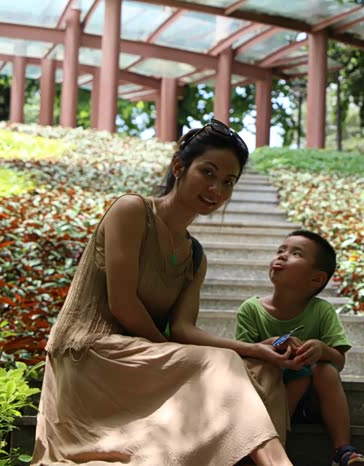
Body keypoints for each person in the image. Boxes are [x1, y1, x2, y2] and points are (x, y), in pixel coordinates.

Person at [32, 119, 301, 466]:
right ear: (178, 168)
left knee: (265, 372)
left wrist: (254, 349)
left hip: (145, 359)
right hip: (91, 356)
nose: (216, 189)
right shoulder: (131, 211)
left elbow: (184, 329)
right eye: (208, 172)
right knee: (217, 363)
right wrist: (174, 352)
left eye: (228, 182)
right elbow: (122, 304)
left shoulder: (195, 256)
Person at [234, 230, 364, 466]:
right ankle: (270, 446)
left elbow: (339, 361)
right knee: (288, 374)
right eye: (281, 250)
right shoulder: (251, 309)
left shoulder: (322, 311)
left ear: (316, 279)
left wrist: (322, 349)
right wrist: (275, 345)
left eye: (296, 254)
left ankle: (343, 449)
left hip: (314, 403)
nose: (282, 256)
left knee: (325, 370)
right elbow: (243, 357)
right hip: (269, 397)